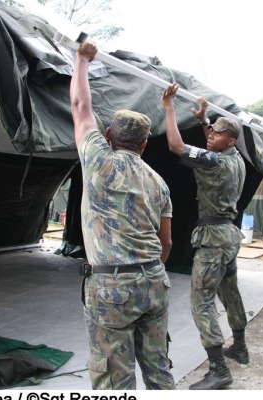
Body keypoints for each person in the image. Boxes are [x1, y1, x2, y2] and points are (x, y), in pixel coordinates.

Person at [70, 40, 175, 390]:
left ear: (109, 135)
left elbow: (80, 106)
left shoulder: (99, 161)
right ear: (145, 144)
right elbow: (167, 241)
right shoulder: (158, 182)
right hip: (155, 281)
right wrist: (149, 272)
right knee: (159, 369)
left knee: (115, 377)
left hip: (112, 287)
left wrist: (82, 60)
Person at [161, 83, 248, 390]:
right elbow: (213, 139)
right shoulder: (236, 158)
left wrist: (169, 108)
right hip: (229, 235)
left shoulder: (214, 160)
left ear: (230, 139)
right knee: (230, 292)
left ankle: (218, 368)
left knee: (202, 301)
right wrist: (204, 120)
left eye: (217, 133)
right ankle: (239, 345)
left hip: (213, 238)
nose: (211, 135)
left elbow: (175, 146)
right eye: (210, 131)